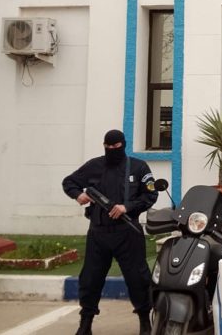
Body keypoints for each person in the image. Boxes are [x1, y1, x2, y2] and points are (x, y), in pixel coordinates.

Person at [62, 130, 158, 335]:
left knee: (138, 279)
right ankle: (85, 323)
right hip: (99, 233)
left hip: (127, 232)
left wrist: (127, 207)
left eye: (116, 147)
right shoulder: (94, 166)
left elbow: (150, 195)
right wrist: (78, 195)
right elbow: (69, 182)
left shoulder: (138, 167)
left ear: (123, 145)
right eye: (108, 147)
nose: (112, 150)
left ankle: (145, 322)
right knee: (90, 279)